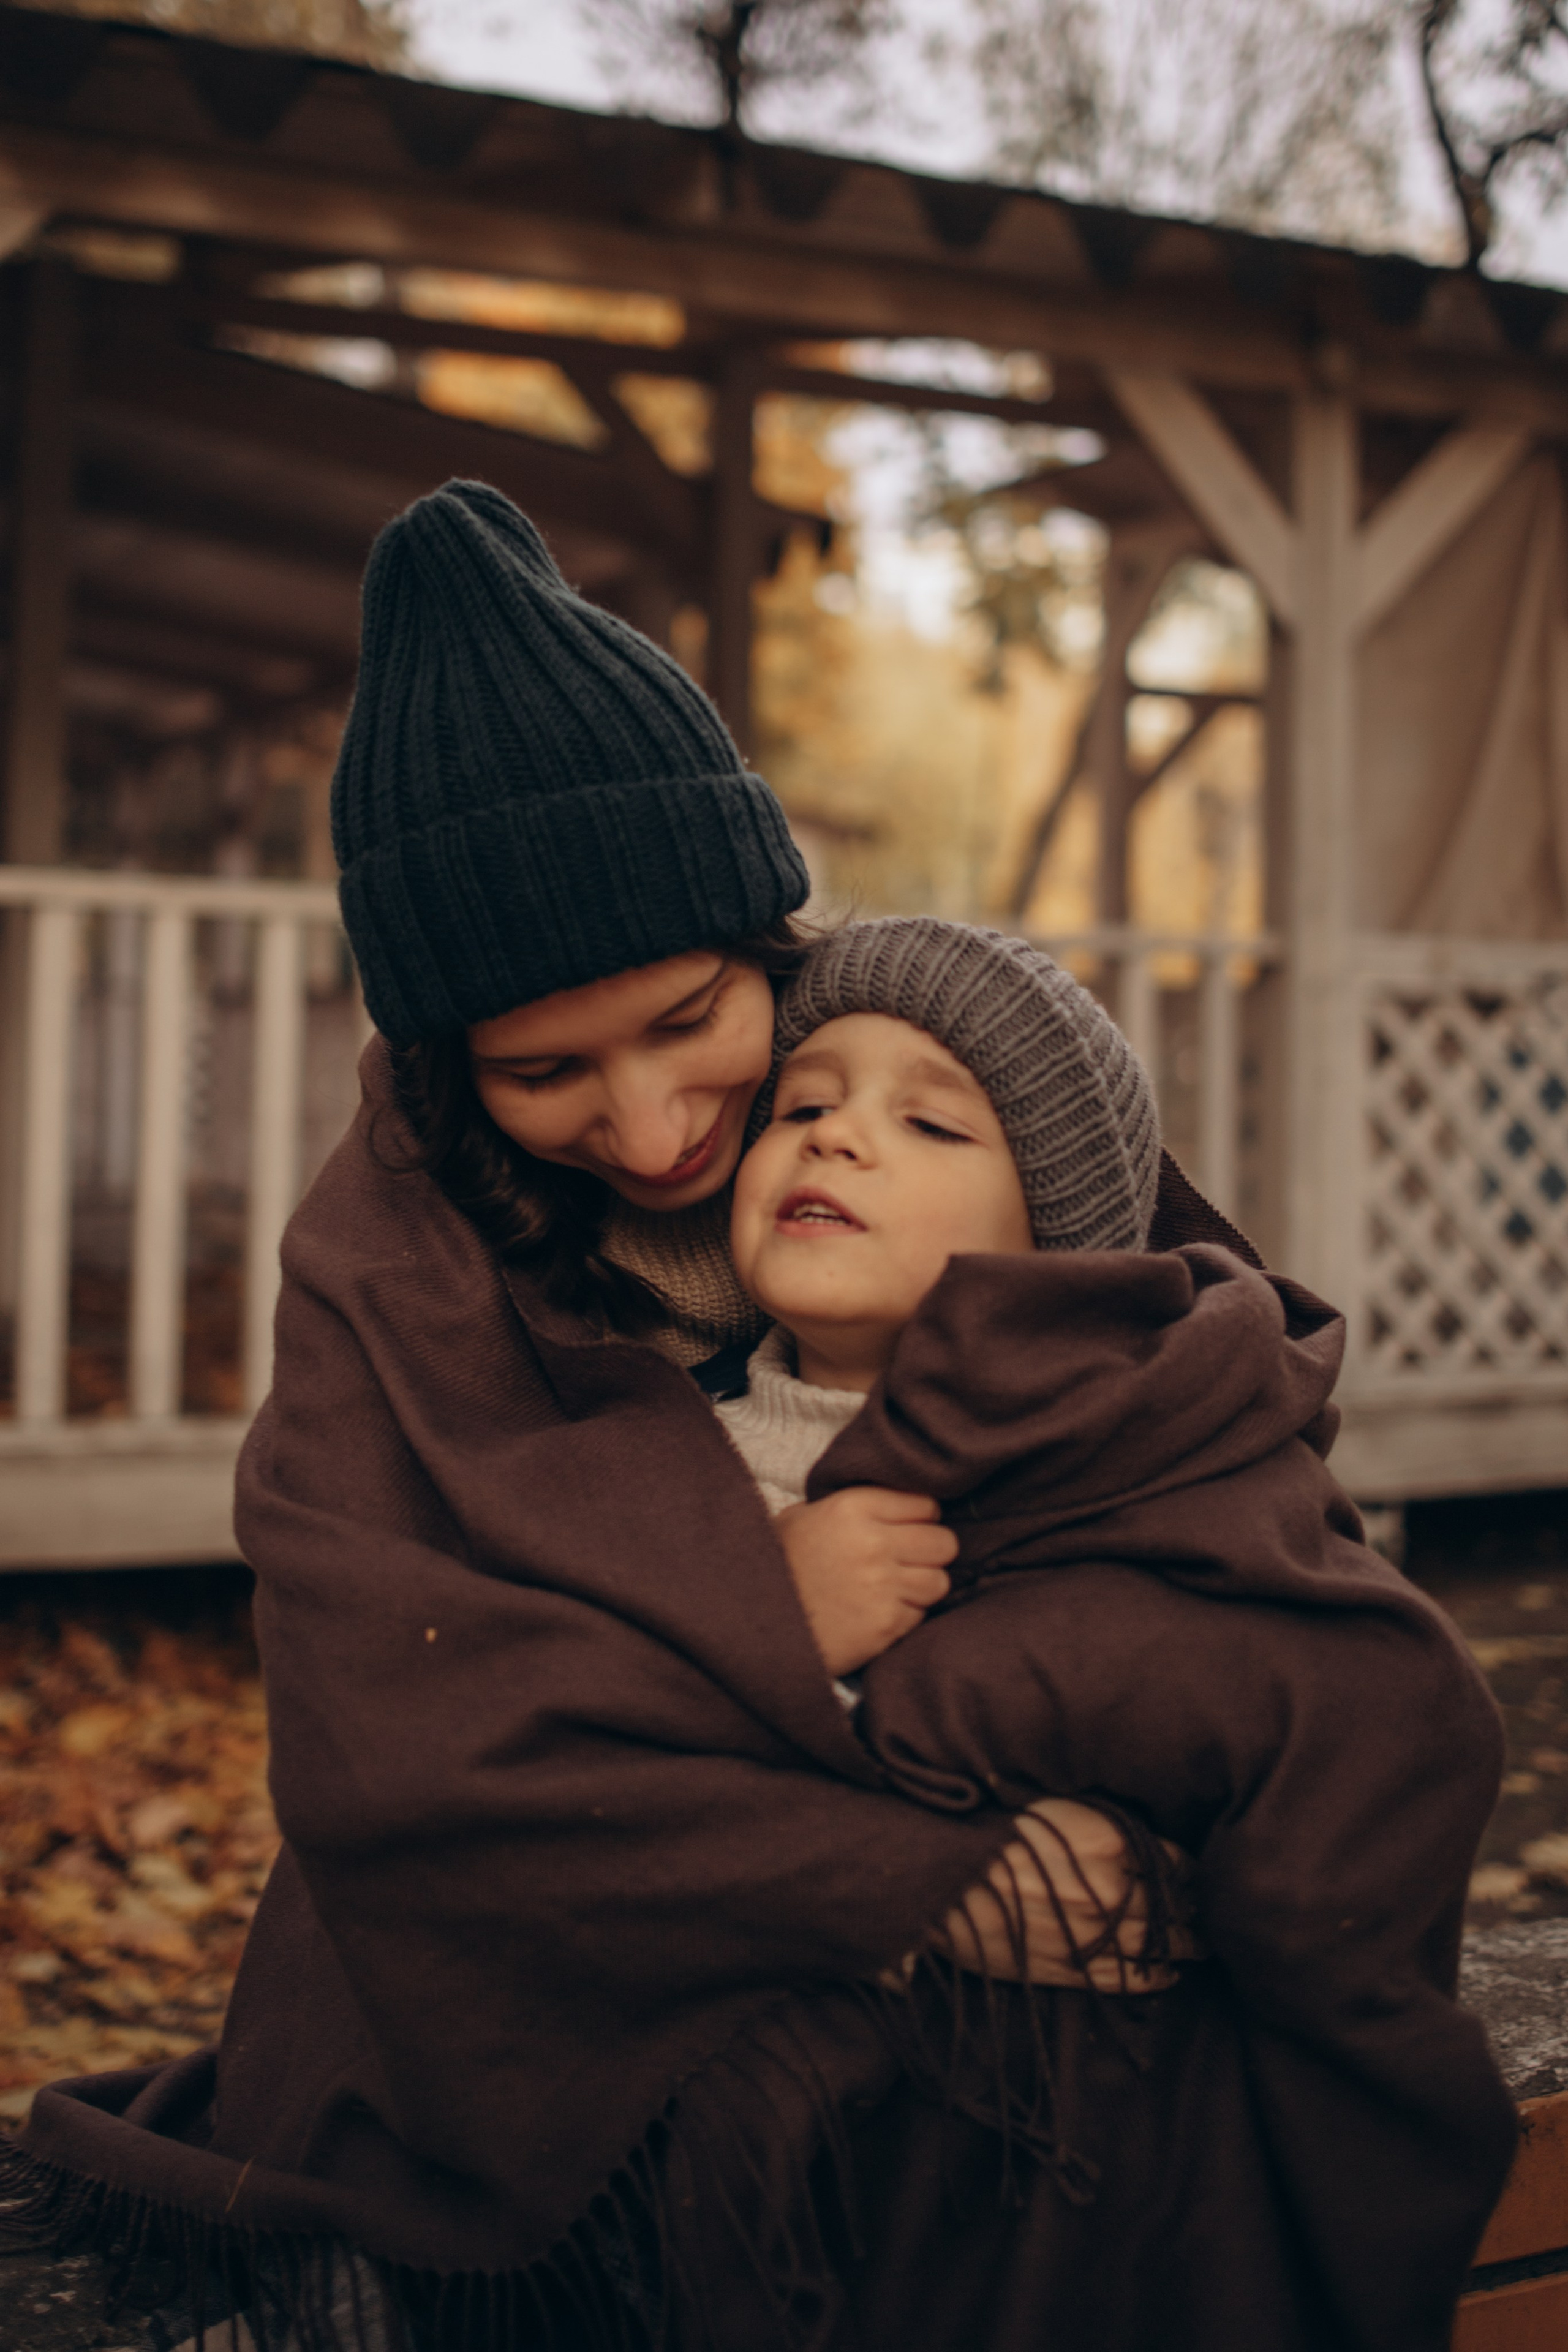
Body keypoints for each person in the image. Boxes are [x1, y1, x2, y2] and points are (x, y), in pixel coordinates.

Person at [2, 484, 1202, 2351]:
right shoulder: (385, 1252)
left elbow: (1191, 1376)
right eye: (546, 1073)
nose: (650, 1132)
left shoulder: (914, 1081)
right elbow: (384, 1729)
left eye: (690, 1020)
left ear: (768, 937)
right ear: (446, 1066)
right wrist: (765, 1637)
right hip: (544, 1958)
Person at [705, 914, 1518, 2350]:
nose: (833, 1141)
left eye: (929, 1122)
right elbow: (566, 1741)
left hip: (1063, 2181)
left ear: (1058, 1243)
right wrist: (755, 1628)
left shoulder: (1136, 1453)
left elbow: (1366, 1701)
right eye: (804, 1103)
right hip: (758, 2174)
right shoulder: (650, 1465)